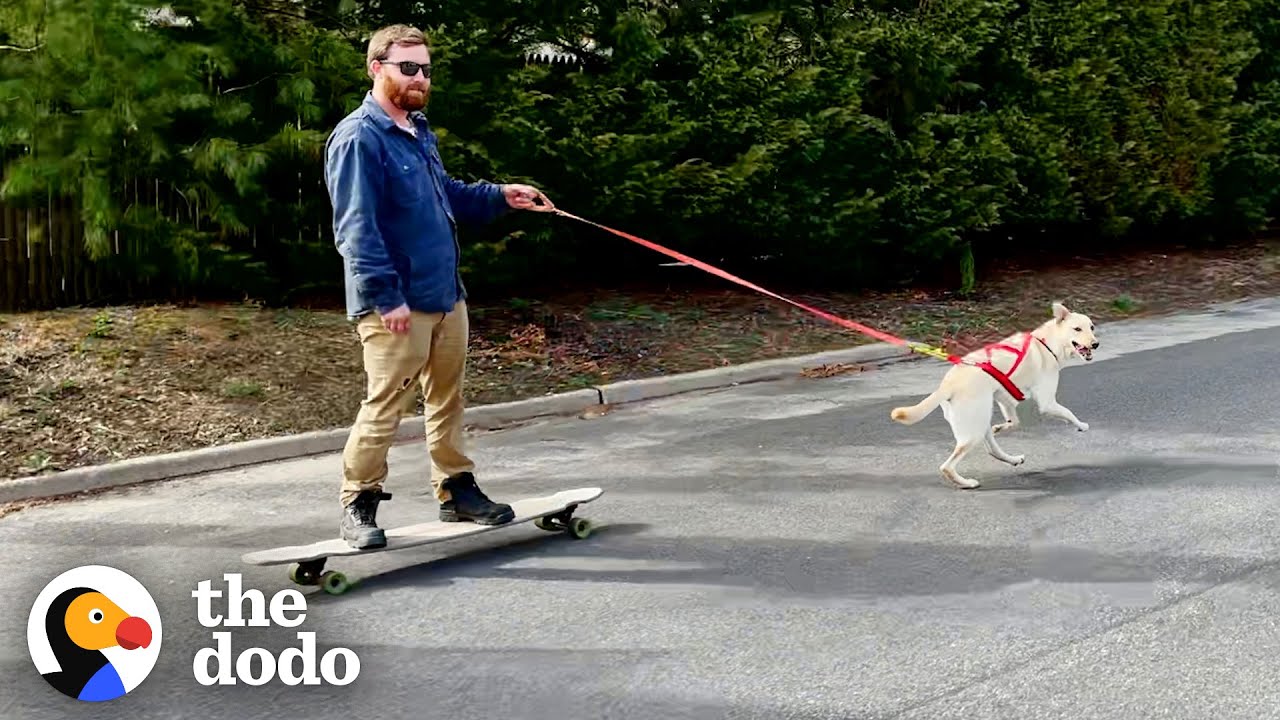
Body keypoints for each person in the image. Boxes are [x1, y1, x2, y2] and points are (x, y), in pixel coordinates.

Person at [323, 23, 555, 549]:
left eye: (426, 68)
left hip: (446, 296)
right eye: (409, 67)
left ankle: (456, 491)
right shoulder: (359, 137)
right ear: (376, 68)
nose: (420, 77)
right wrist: (388, 297)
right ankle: (357, 504)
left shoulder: (417, 128)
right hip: (397, 305)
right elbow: (356, 229)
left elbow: (443, 194)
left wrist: (500, 196)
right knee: (385, 405)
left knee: (446, 400)